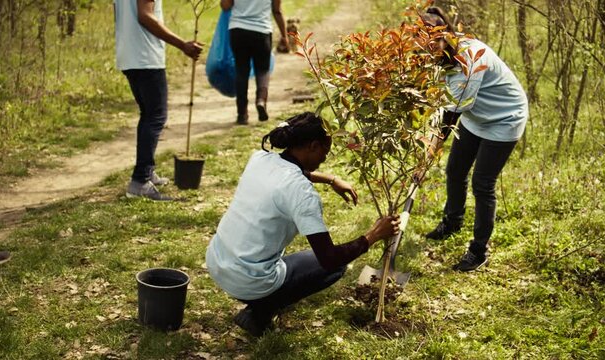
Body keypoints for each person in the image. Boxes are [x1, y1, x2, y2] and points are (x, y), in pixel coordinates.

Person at [206, 112, 400, 336]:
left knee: (308, 260)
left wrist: (331, 179)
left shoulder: (260, 158)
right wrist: (374, 234)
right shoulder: (302, 193)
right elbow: (329, 258)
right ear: (313, 146)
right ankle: (259, 311)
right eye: (325, 152)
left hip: (217, 261)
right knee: (336, 267)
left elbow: (292, 170)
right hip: (247, 280)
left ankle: (259, 303)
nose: (325, 159)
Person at [419, 7, 528, 272]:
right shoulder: (440, 56)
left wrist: (431, 149)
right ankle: (452, 221)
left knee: (483, 183)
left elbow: (451, 113)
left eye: (433, 39)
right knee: (455, 169)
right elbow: (444, 103)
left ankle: (479, 250)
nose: (428, 45)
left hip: (504, 118)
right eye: (423, 40)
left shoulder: (471, 57)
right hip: (475, 116)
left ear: (446, 34)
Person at [114, 0, 203, 200]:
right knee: (155, 116)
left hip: (129, 54)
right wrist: (182, 45)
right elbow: (145, 16)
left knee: (148, 115)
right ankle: (140, 181)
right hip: (145, 57)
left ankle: (147, 171)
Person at [220, 0, 289, 125]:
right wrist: (284, 35)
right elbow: (277, 11)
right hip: (261, 31)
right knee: (263, 70)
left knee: (241, 71)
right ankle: (261, 100)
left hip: (238, 30)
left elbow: (225, 6)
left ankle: (242, 114)